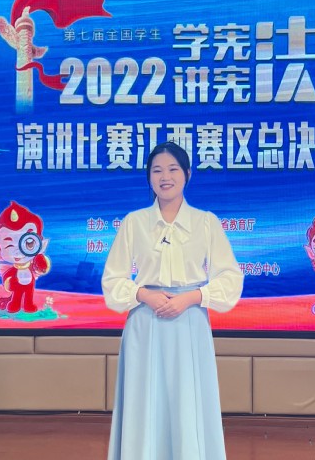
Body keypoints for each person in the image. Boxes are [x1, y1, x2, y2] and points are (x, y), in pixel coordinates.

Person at [102, 141, 244, 460]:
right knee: (143, 401)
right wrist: (144, 295)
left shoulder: (206, 222)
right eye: (157, 171)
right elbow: (112, 279)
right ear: (149, 178)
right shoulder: (134, 222)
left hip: (189, 322)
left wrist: (192, 297)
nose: (165, 177)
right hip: (144, 322)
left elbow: (230, 278)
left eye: (172, 169)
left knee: (187, 402)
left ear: (187, 174)